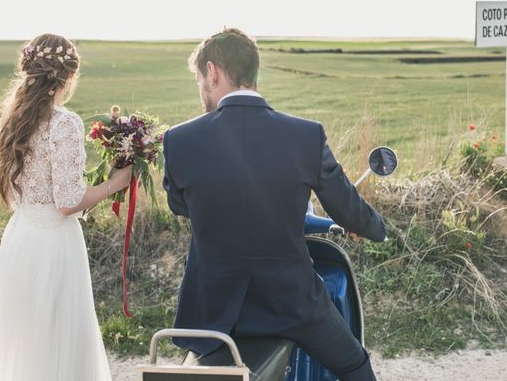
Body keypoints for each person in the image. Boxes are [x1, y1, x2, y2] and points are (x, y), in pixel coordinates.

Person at [162, 28, 386, 381]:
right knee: (354, 364)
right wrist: (376, 229)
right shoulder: (305, 135)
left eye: (200, 79)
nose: (202, 88)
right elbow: (347, 207)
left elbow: (181, 204)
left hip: (214, 310)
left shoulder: (179, 140)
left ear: (214, 72)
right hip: (292, 304)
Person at [0, 33, 132, 381]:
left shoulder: (13, 120)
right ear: (69, 75)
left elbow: (15, 192)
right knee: (58, 337)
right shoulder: (64, 123)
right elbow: (68, 202)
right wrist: (116, 183)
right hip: (54, 245)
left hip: (21, 238)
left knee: (27, 339)